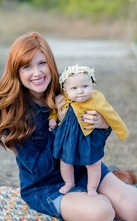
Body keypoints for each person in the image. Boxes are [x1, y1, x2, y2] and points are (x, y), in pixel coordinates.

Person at [0, 32, 137, 221]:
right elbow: (38, 169)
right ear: (17, 72)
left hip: (83, 167)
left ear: (51, 63)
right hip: (47, 185)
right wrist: (61, 127)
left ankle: (110, 179)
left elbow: (92, 138)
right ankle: (95, 195)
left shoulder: (69, 90)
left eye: (42, 63)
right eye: (27, 66)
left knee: (134, 209)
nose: (37, 73)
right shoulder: (14, 115)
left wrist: (103, 125)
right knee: (103, 213)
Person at [49, 65, 129, 196]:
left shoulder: (96, 99)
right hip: (68, 139)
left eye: (85, 86)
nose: (80, 91)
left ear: (92, 85)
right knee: (65, 163)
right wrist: (52, 119)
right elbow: (53, 110)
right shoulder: (63, 99)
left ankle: (92, 187)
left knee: (93, 164)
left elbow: (111, 115)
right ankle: (69, 182)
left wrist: (122, 132)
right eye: (74, 88)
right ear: (65, 90)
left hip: (88, 138)